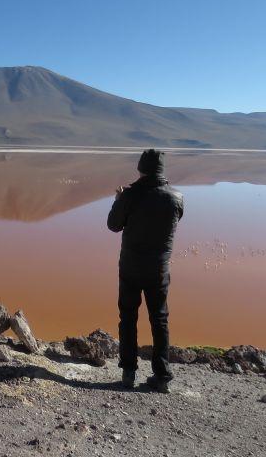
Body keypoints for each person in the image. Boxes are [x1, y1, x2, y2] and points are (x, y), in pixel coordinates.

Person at [106, 148, 184, 392]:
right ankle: (162, 376)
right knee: (159, 319)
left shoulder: (130, 195)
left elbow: (113, 225)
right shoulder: (176, 197)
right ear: (161, 170)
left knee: (128, 317)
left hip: (130, 267)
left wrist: (119, 200)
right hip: (159, 269)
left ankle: (128, 372)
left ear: (140, 168)